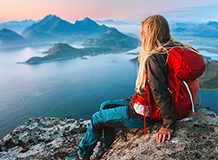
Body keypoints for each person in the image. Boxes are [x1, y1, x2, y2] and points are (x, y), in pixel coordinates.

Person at [67, 14, 193, 160]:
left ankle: (81, 156)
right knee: (105, 106)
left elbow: (159, 92)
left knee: (97, 118)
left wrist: (169, 124)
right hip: (146, 105)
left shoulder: (154, 59)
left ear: (150, 34)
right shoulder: (171, 49)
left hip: (143, 114)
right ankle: (107, 146)